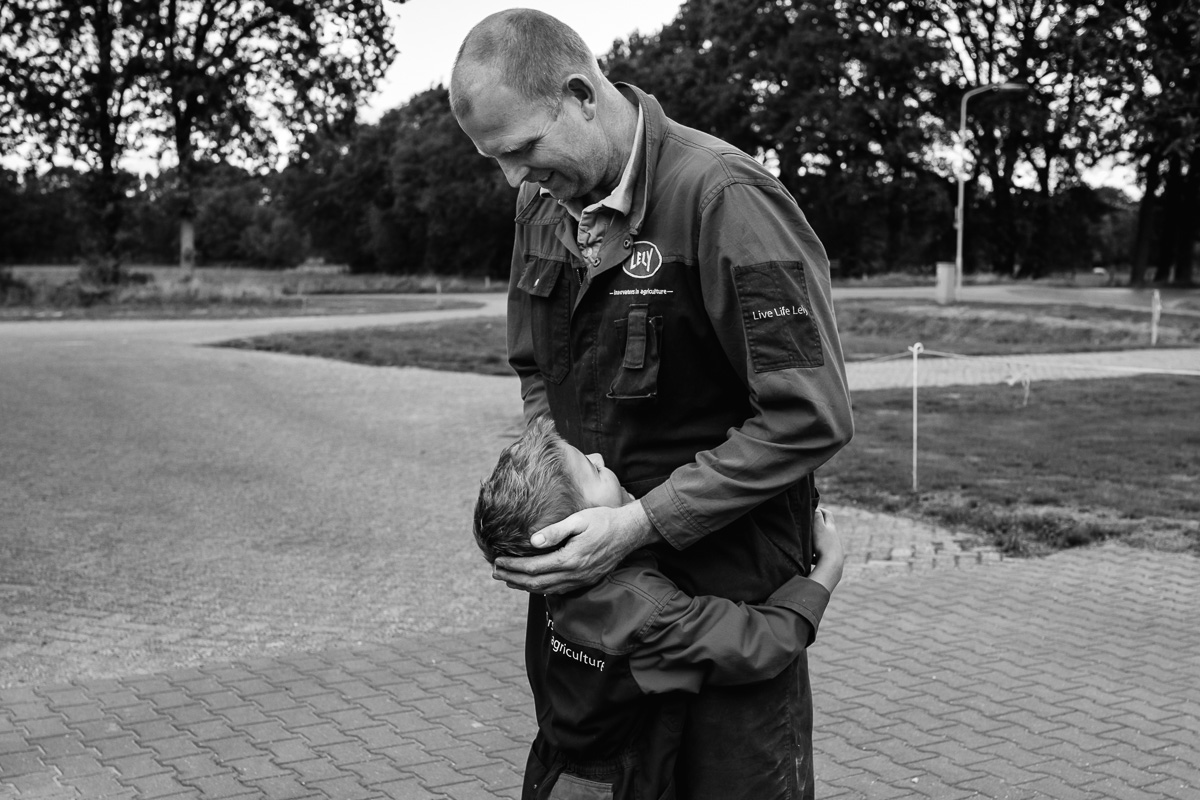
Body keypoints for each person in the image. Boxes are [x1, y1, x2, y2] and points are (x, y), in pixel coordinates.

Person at [451, 9, 853, 798]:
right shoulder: (542, 202)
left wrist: (632, 527)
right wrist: (555, 505)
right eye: (494, 159)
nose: (513, 179)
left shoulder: (726, 198)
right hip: (595, 611)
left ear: (580, 94)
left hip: (721, 600)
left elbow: (808, 415)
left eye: (524, 149)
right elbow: (538, 368)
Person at [473, 418, 845, 800]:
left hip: (551, 772)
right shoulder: (642, 614)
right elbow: (757, 644)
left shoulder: (549, 587)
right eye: (594, 469)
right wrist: (825, 575)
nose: (601, 455)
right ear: (573, 529)